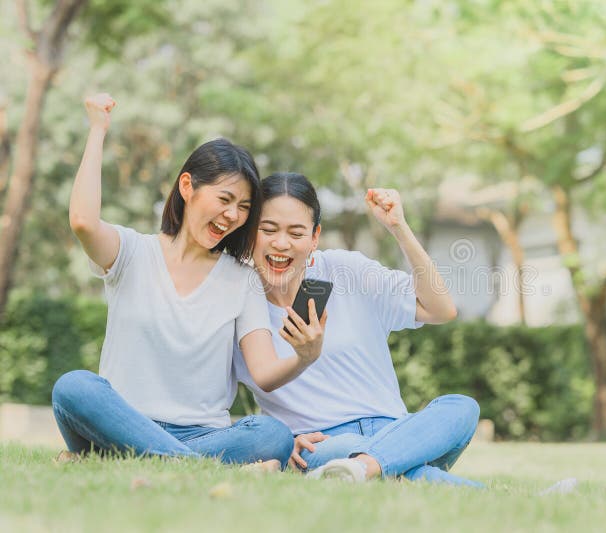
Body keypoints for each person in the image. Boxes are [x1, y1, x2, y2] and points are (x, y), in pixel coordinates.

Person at [51, 94, 326, 466]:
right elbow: (83, 222)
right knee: (73, 387)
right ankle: (188, 465)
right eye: (225, 199)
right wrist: (98, 129)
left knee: (273, 434)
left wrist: (303, 357)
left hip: (203, 433)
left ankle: (121, 460)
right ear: (187, 187)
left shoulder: (241, 279)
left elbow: (263, 373)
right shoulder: (132, 252)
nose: (232, 215)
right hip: (123, 421)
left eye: (244, 207)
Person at [233, 172, 482, 486]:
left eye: (296, 233)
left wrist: (399, 228)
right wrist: (281, 445)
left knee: (461, 407)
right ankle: (374, 467)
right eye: (268, 229)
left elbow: (440, 309)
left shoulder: (345, 270)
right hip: (325, 443)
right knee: (381, 462)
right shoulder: (236, 302)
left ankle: (366, 468)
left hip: (398, 429)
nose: (281, 243)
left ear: (314, 237)